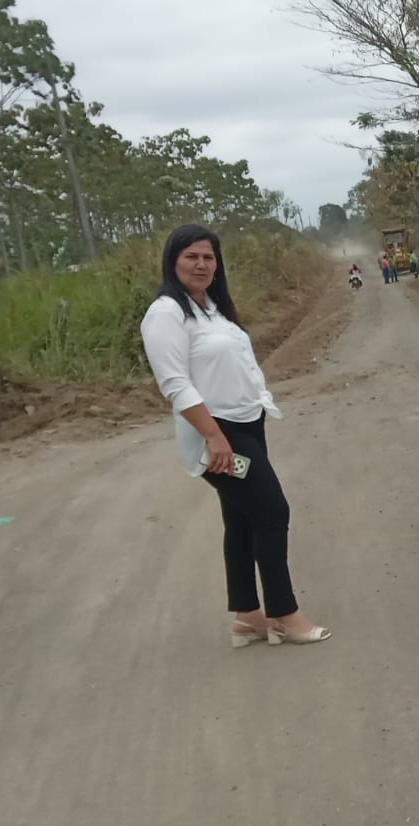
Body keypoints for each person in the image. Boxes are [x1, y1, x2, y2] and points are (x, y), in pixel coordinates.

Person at [139, 224, 331, 647]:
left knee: (242, 517)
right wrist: (213, 436)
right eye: (191, 256)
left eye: (208, 257)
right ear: (173, 261)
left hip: (246, 425)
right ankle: (283, 614)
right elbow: (174, 383)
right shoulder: (166, 313)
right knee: (272, 511)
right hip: (217, 433)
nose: (201, 264)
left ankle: (247, 616)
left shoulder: (212, 308)